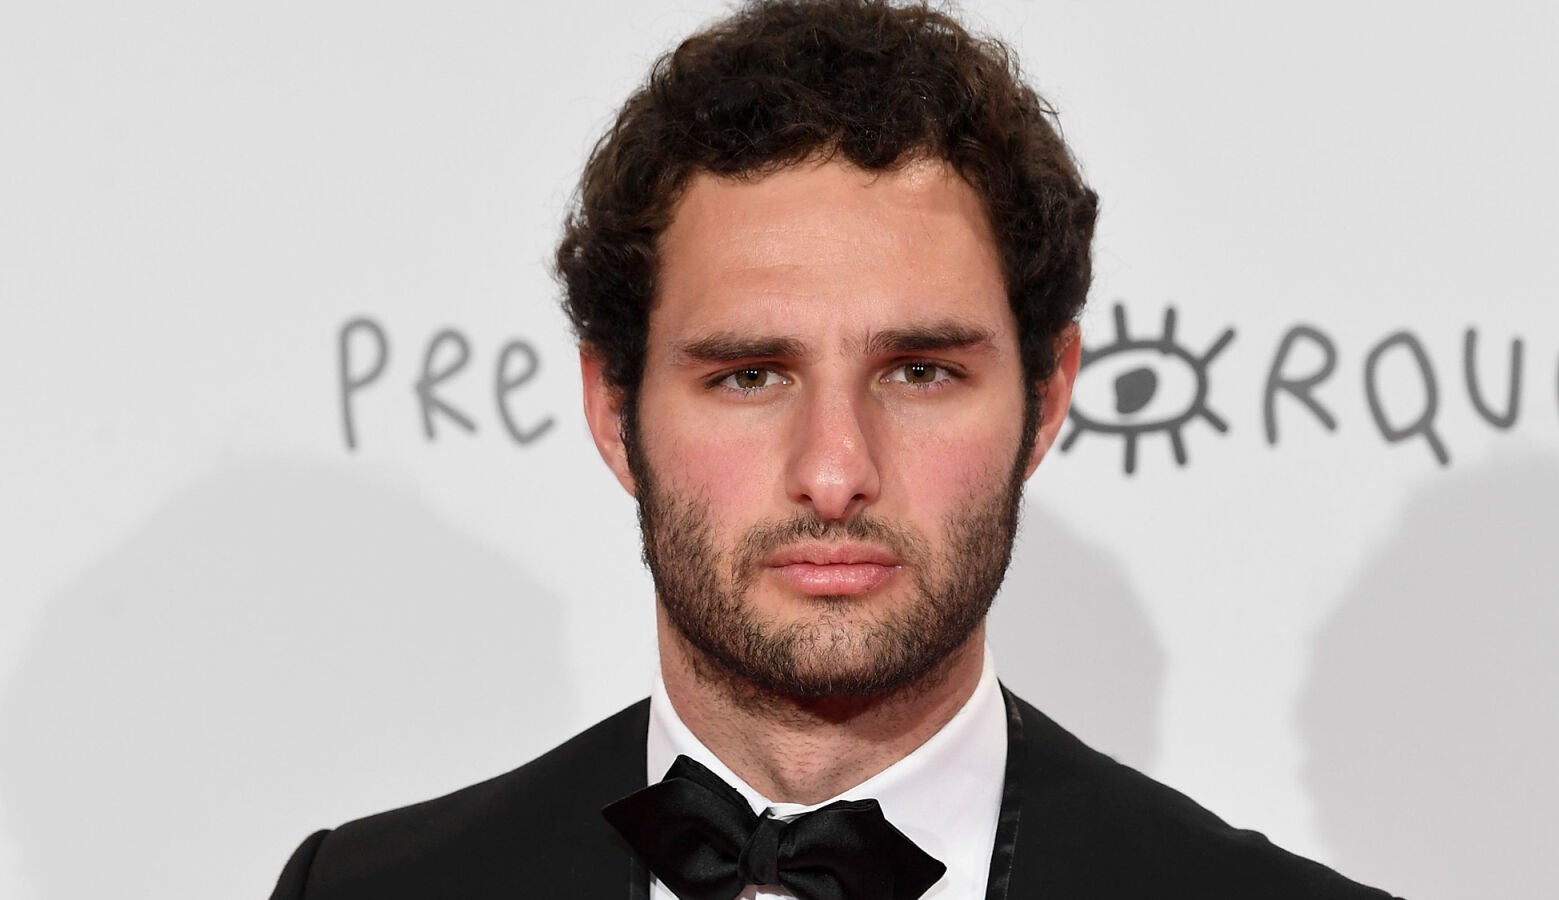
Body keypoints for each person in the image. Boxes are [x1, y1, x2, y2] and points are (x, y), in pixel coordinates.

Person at [270, 2, 1398, 897]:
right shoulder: (369, 891)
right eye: (749, 376)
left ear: (1046, 397)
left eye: (920, 372)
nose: (834, 471)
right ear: (613, 409)